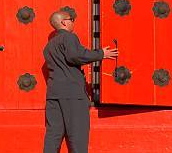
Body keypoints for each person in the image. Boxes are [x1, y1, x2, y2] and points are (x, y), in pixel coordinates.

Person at [43, 9, 118, 153]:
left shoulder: (49, 46)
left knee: (53, 135)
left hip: (53, 94)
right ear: (64, 22)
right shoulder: (69, 37)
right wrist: (101, 53)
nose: (73, 22)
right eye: (72, 19)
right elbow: (75, 56)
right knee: (77, 135)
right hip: (72, 94)